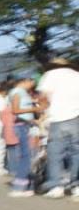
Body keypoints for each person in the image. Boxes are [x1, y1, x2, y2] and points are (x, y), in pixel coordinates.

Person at [37, 57, 79, 200]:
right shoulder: (76, 74)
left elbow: (42, 97)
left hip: (57, 118)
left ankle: (56, 186)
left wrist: (44, 109)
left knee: (55, 155)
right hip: (76, 118)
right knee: (76, 153)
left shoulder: (50, 75)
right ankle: (76, 186)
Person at [8, 74, 40, 197]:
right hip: (21, 126)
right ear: (26, 80)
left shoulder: (21, 92)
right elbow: (15, 110)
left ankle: (24, 185)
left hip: (25, 125)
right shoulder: (18, 92)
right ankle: (18, 188)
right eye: (32, 82)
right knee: (25, 156)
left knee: (26, 156)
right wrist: (34, 109)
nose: (33, 85)